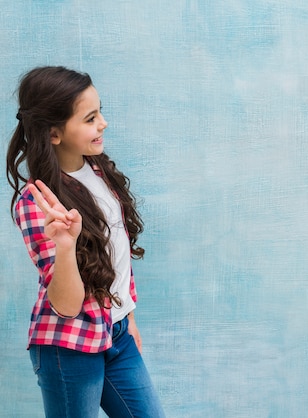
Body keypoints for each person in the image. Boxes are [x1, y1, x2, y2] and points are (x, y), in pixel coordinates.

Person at [6, 66, 165, 417]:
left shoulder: (99, 170)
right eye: (90, 118)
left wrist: (129, 317)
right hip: (70, 347)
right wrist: (65, 245)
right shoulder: (37, 203)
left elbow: (116, 254)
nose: (103, 123)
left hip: (117, 333)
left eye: (100, 111)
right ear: (54, 134)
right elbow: (66, 304)